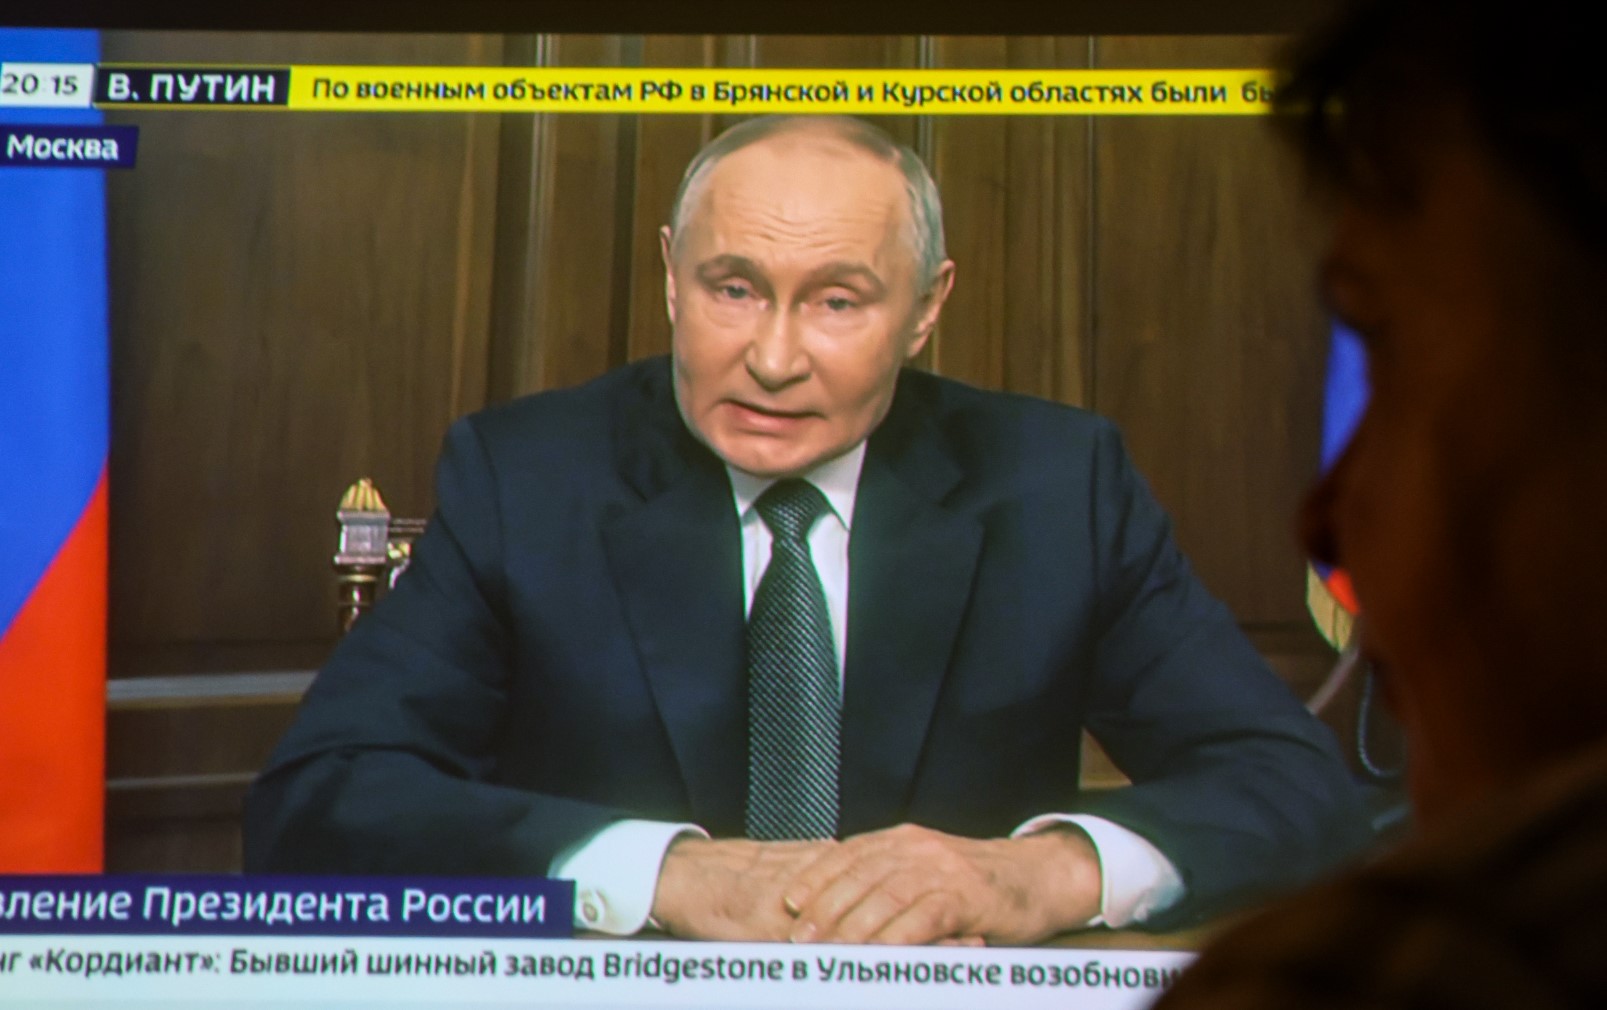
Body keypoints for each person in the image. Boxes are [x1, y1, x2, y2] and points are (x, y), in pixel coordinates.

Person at [244, 115, 1367, 946]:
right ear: (670, 276)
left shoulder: (1056, 485)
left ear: (926, 307)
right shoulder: (527, 475)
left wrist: (1036, 876)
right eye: (733, 288)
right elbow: (321, 799)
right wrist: (665, 876)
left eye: (837, 300)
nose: (773, 358)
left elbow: (1290, 785)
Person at [1154, 0, 1607, 1004]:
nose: (1320, 522)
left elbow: (1274, 776)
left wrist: (1051, 862)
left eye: (1388, 349)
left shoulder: (1399, 970)